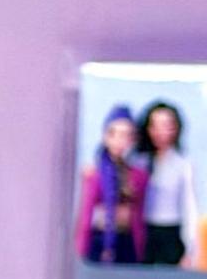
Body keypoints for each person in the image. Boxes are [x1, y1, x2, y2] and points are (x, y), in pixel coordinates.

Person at [74, 106, 148, 264]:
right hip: (100, 240)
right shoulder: (95, 174)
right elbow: (86, 215)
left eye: (126, 135)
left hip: (127, 241)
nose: (120, 141)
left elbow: (139, 214)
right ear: (106, 137)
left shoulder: (138, 175)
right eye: (114, 134)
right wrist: (80, 251)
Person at [135, 101, 199, 267]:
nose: (160, 132)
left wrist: (190, 248)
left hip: (171, 232)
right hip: (143, 231)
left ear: (176, 128)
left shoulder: (183, 164)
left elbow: (189, 207)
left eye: (166, 125)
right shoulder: (138, 161)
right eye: (155, 126)